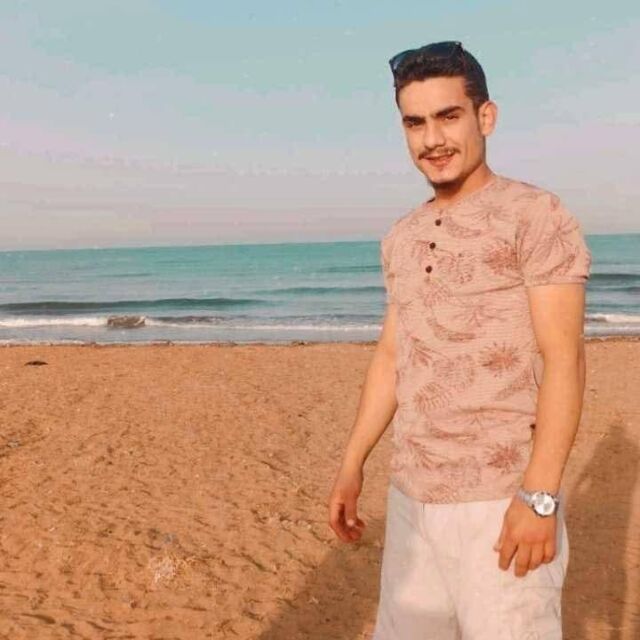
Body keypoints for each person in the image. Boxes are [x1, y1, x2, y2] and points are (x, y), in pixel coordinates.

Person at [327, 41, 592, 639]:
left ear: (485, 117)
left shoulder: (535, 215)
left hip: (501, 503)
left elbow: (565, 361)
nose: (432, 139)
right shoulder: (402, 236)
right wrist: (351, 464)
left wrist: (540, 498)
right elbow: (392, 357)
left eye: (448, 116)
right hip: (411, 501)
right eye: (415, 122)